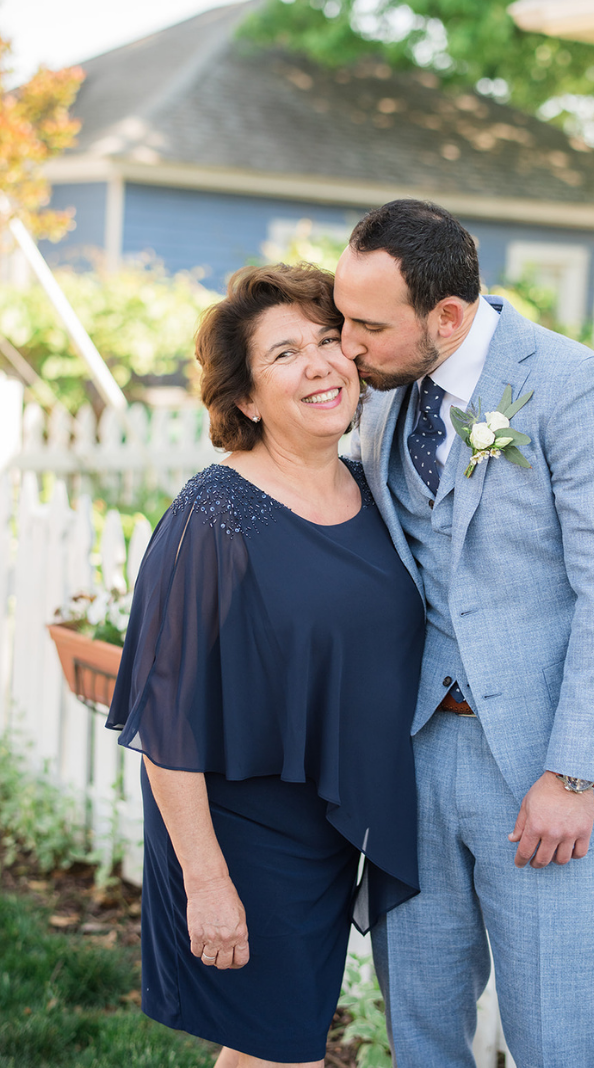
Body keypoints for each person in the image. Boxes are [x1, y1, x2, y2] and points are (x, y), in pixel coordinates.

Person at [334, 198, 594, 1066]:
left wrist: (573, 772)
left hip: (539, 764)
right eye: (343, 318)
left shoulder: (578, 387)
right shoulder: (376, 393)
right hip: (409, 756)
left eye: (369, 325)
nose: (348, 345)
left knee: (556, 1036)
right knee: (419, 1027)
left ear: (447, 318)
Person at [106, 264, 424, 1067]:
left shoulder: (369, 488)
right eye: (285, 354)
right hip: (240, 833)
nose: (321, 364)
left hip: (324, 828)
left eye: (327, 341)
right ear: (245, 398)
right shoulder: (217, 512)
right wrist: (207, 882)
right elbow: (163, 718)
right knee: (283, 1053)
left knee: (270, 1049)